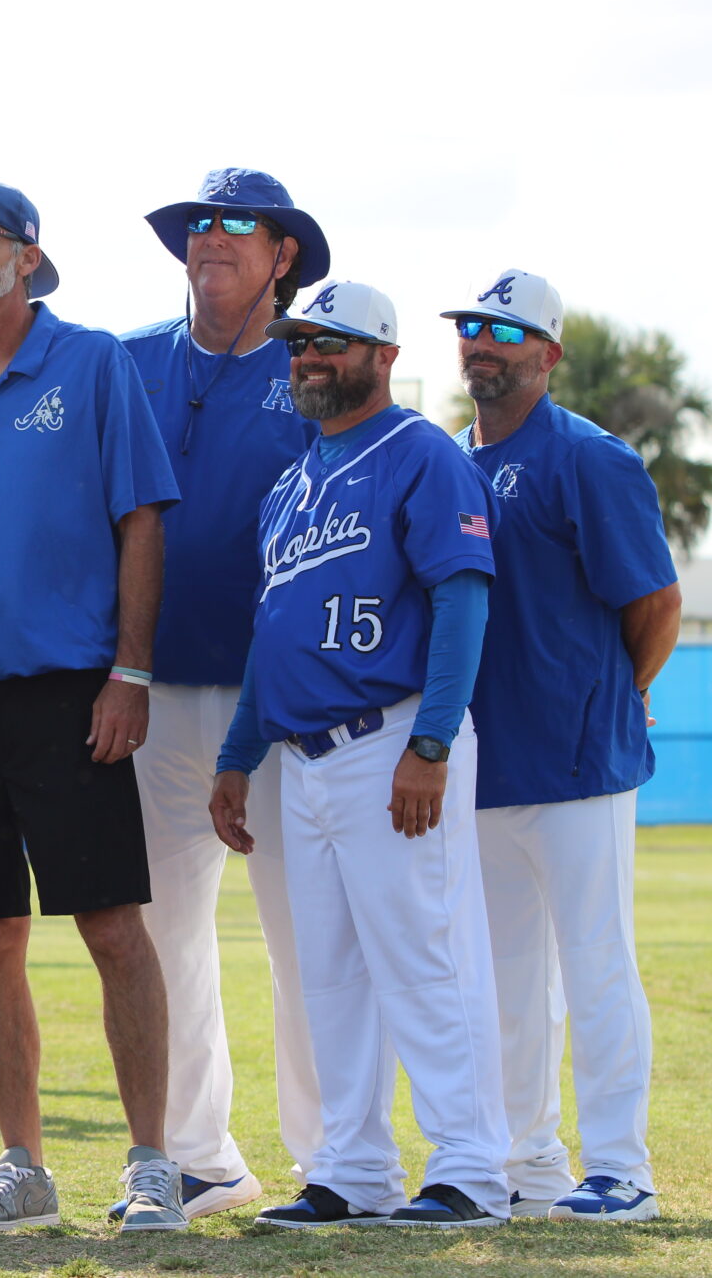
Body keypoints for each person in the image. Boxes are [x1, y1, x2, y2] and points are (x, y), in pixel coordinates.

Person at [0, 181, 185, 1233]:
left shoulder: (93, 361)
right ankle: (22, 1165)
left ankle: (153, 1163)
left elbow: (141, 521)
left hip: (72, 692)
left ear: (26, 254)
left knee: (112, 927)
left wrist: (130, 672)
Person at [210, 279, 511, 1229]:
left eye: (330, 343)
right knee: (330, 971)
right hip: (302, 760)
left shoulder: (419, 453)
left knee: (427, 954)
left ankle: (470, 1167)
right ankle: (353, 1170)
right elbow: (272, 636)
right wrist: (235, 754)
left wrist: (429, 742)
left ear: (381, 356)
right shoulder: (292, 486)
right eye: (299, 342)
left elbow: (463, 599)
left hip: (393, 736)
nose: (308, 357)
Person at [113, 170, 327, 1220]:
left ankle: (336, 1159)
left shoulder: (316, 365)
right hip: (148, 692)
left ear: (282, 254)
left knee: (305, 931)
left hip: (280, 703)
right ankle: (199, 1156)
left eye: (236, 225)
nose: (210, 239)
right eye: (197, 223)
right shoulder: (128, 360)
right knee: (159, 932)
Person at [446, 269, 680, 1222]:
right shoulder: (448, 458)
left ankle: (622, 1168)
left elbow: (656, 602)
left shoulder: (591, 456)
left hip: (580, 763)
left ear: (547, 352)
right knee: (507, 984)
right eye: (470, 328)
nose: (482, 344)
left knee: (596, 965)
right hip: (485, 765)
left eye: (504, 331)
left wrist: (619, 691)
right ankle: (527, 1163)